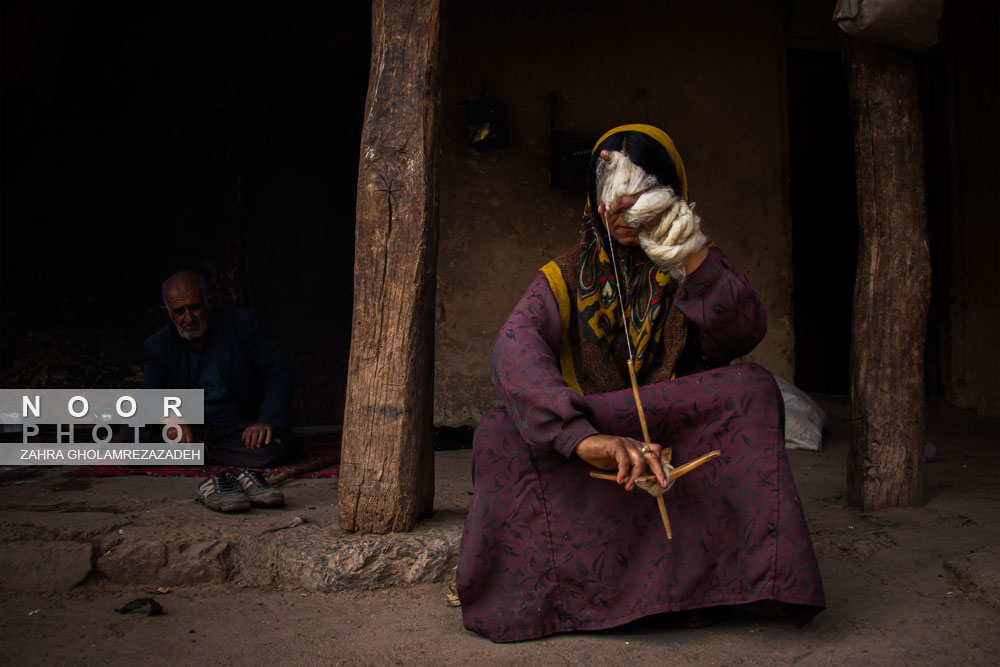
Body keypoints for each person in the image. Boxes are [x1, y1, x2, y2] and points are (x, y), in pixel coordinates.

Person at [456, 124, 825, 642]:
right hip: (600, 434)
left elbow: (742, 333)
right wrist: (582, 439)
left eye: (638, 198)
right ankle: (565, 597)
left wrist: (690, 255)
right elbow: (512, 352)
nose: (616, 214)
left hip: (676, 429)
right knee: (497, 432)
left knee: (753, 389)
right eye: (608, 198)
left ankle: (712, 585)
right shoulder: (561, 278)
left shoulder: (693, 264)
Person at [141, 271, 297, 513]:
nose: (188, 318)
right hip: (192, 430)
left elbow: (279, 371)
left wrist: (266, 420)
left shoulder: (241, 325)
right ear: (167, 313)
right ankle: (203, 454)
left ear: (209, 303)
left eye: (194, 308)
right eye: (179, 312)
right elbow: (149, 393)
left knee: (272, 445)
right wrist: (169, 418)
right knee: (131, 435)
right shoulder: (159, 344)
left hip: (236, 428)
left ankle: (203, 456)